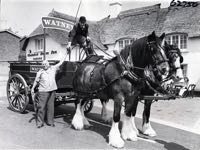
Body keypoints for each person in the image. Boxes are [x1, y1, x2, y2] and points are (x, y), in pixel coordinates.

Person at [31, 52, 67, 128]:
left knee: (51, 107)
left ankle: (50, 122)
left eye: (46, 64)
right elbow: (36, 81)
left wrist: (66, 53)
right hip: (43, 91)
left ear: (48, 64)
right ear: (42, 65)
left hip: (52, 91)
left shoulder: (53, 68)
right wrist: (33, 88)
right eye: (43, 64)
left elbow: (61, 62)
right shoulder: (40, 72)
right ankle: (40, 123)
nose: (45, 65)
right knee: (41, 107)